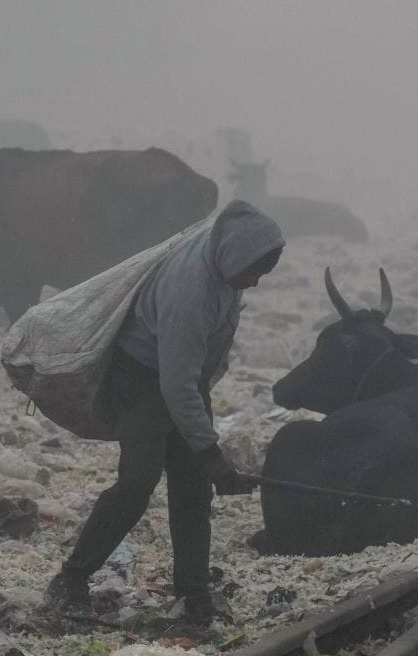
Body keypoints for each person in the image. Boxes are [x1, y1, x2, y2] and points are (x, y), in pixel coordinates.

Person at [45, 199, 285, 626]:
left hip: (178, 377)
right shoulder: (190, 291)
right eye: (253, 272)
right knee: (139, 480)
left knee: (193, 487)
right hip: (140, 375)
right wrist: (212, 454)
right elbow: (175, 384)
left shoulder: (225, 260)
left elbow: (189, 378)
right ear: (234, 257)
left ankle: (193, 592)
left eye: (261, 274)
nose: (255, 283)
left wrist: (204, 457)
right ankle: (72, 577)